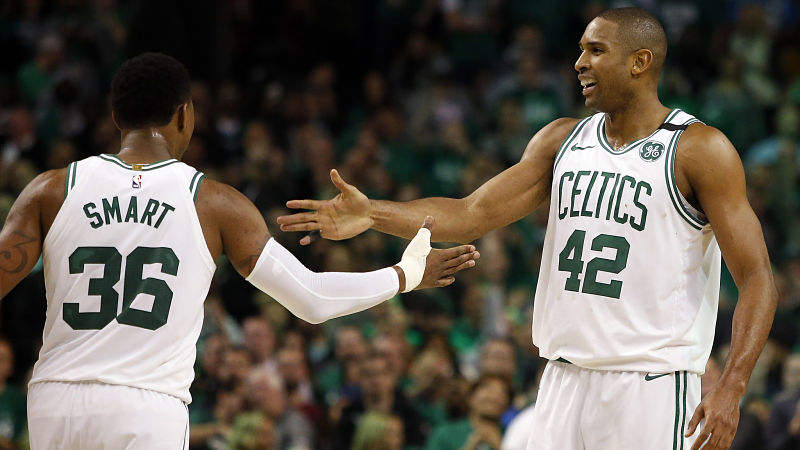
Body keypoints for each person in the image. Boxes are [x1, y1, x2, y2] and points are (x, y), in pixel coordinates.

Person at [278, 7, 778, 450]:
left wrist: (731, 385)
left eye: (595, 50)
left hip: (650, 382)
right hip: (562, 377)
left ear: (640, 61)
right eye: (580, 50)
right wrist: (373, 215)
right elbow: (470, 213)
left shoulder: (699, 149)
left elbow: (756, 277)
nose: (579, 63)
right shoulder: (562, 139)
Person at [0, 52, 480, 450]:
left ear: (114, 116)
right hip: (145, 407)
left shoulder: (51, 189)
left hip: (55, 399)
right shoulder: (214, 202)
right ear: (186, 114)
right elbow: (312, 299)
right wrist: (405, 273)